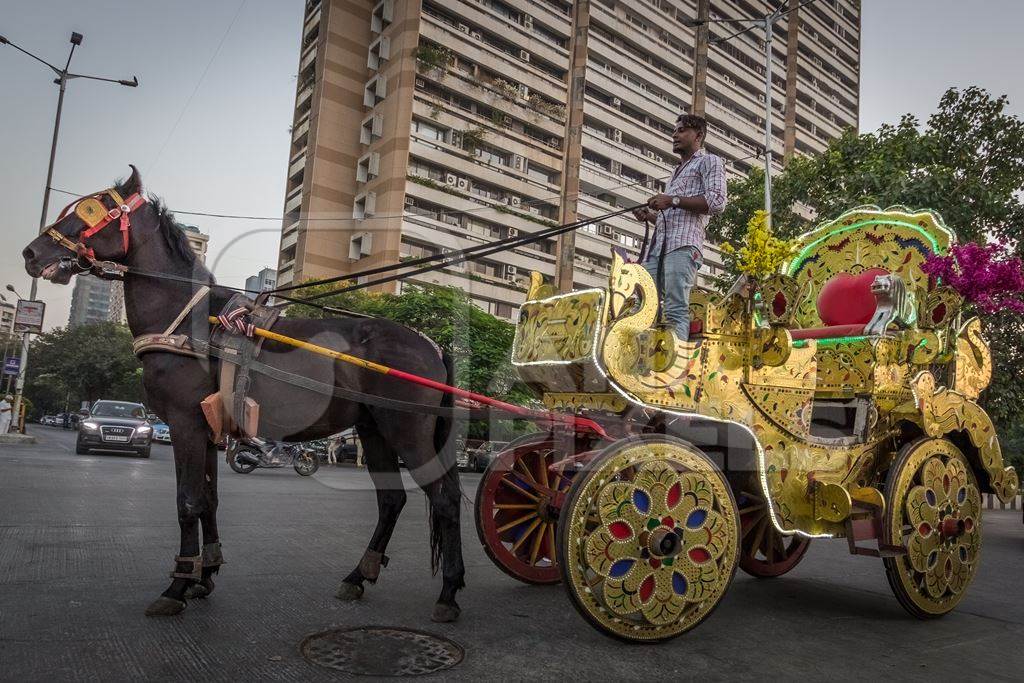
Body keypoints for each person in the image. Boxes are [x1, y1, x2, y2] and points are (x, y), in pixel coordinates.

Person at [632, 113, 727, 341]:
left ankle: (674, 373)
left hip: (683, 247)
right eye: (675, 130)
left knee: (674, 309)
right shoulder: (676, 172)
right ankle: (642, 366)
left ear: (698, 135)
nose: (675, 135)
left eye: (682, 130)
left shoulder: (709, 161)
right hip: (659, 249)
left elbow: (717, 202)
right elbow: (675, 218)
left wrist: (671, 200)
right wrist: (652, 216)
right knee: (643, 305)